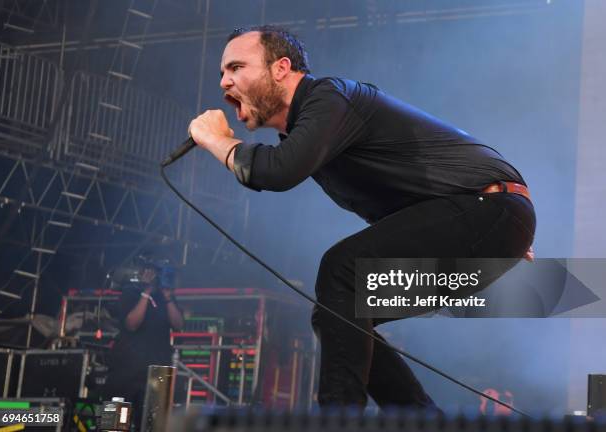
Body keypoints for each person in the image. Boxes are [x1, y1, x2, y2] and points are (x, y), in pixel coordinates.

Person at [187, 26, 536, 409]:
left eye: (236, 67)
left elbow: (276, 172)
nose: (224, 82)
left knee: (342, 271)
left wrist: (218, 141)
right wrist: (493, 240)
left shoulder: (328, 97)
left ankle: (340, 420)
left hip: (490, 209)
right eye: (222, 72)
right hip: (487, 219)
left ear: (281, 68)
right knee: (337, 312)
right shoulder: (313, 131)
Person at [105, 257, 184, 426]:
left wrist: (169, 298)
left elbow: (178, 325)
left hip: (158, 370)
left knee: (154, 426)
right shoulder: (130, 292)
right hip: (126, 370)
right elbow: (132, 324)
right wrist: (145, 293)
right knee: (114, 426)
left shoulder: (166, 297)